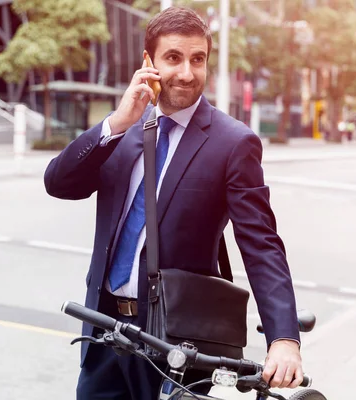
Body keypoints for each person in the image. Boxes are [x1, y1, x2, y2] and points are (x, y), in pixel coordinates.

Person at [44, 6, 303, 400]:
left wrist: (284, 338)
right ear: (149, 63)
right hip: (105, 333)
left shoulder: (232, 143)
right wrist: (115, 123)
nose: (187, 72)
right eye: (174, 58)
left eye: (197, 59)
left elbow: (262, 245)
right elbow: (59, 183)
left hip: (179, 344)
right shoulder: (126, 131)